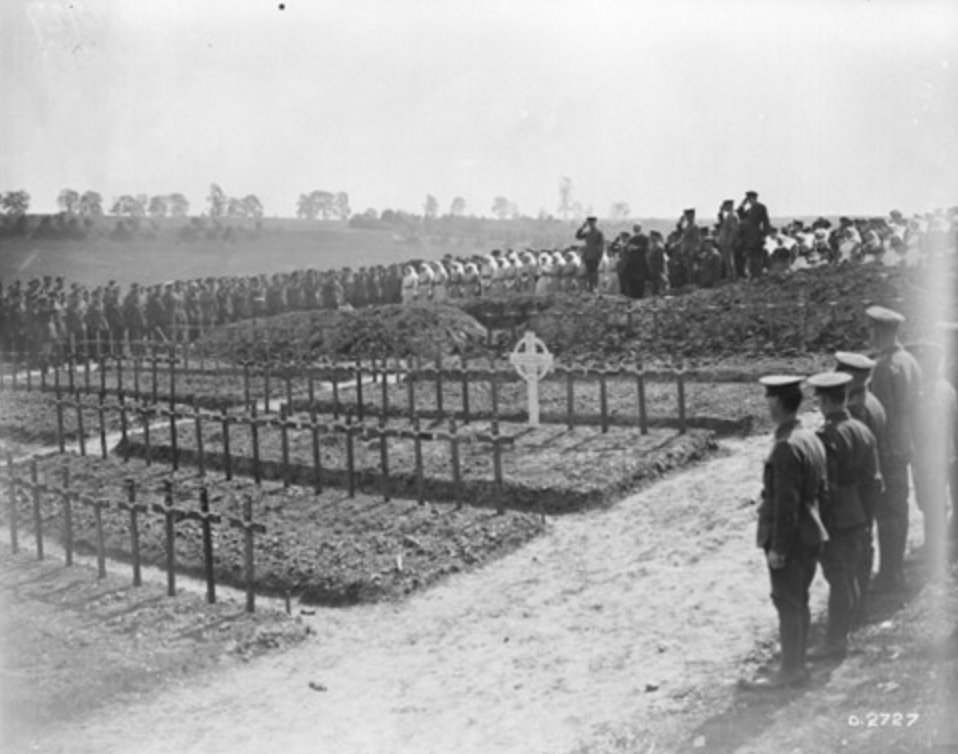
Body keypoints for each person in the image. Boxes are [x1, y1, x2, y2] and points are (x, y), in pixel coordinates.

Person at [740, 375, 829, 691]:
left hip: (792, 537)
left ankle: (790, 671)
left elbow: (786, 505)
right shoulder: (809, 438)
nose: (766, 404)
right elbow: (821, 488)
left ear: (776, 402)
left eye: (768, 398)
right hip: (811, 532)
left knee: (788, 602)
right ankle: (797, 665)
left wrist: (779, 547)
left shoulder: (785, 447)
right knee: (799, 600)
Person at [806, 372, 882, 660]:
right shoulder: (863, 431)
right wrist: (867, 514)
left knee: (839, 577)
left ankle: (836, 641)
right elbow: (875, 482)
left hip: (836, 518)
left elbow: (823, 487)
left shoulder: (827, 437)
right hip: (859, 513)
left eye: (820, 400)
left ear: (825, 401)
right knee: (850, 573)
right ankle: (847, 630)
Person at [867, 305, 922, 591]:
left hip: (888, 449)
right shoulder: (909, 360)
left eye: (872, 330)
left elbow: (880, 415)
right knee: (899, 508)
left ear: (879, 331)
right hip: (905, 442)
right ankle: (896, 568)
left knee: (887, 512)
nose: (870, 335)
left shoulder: (882, 368)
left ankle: (890, 573)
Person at [834, 351, 887, 623]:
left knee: (854, 550)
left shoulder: (857, 411)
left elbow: (851, 457)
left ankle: (856, 610)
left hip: (857, 490)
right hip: (871, 485)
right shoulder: (872, 401)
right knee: (864, 544)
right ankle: (860, 604)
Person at [906, 339, 956, 570]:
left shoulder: (931, 391)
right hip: (937, 454)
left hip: (932, 455)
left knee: (931, 500)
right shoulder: (942, 387)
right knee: (929, 499)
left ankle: (934, 548)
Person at [737, 190, 771, 280]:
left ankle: (758, 276)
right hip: (748, 237)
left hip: (756, 236)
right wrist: (742, 204)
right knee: (751, 257)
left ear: (754, 198)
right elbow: (740, 214)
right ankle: (753, 276)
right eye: (747, 200)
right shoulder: (749, 209)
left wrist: (764, 235)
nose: (749, 201)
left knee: (757, 257)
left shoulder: (760, 207)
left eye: (750, 199)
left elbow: (766, 221)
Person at [575, 216, 605, 292]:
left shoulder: (599, 233)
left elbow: (601, 245)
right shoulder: (587, 233)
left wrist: (600, 256)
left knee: (594, 272)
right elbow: (578, 236)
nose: (590, 224)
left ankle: (595, 287)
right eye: (589, 223)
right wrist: (582, 227)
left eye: (592, 223)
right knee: (589, 272)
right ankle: (590, 287)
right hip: (587, 255)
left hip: (595, 255)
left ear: (595, 223)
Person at [716, 199, 740, 281]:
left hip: (728, 242)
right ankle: (730, 276)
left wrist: (730, 241)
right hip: (725, 241)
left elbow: (734, 230)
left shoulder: (732, 216)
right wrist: (721, 212)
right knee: (728, 260)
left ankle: (732, 277)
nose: (724, 207)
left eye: (725, 206)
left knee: (730, 260)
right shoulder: (729, 215)